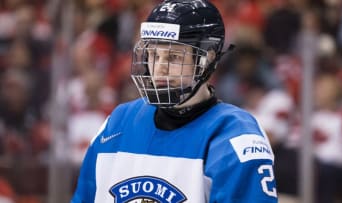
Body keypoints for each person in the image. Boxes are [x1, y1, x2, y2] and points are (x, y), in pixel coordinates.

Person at [71, 0, 278, 202]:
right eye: (153, 55)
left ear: (207, 59)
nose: (159, 68)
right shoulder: (118, 124)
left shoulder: (235, 137)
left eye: (173, 57)